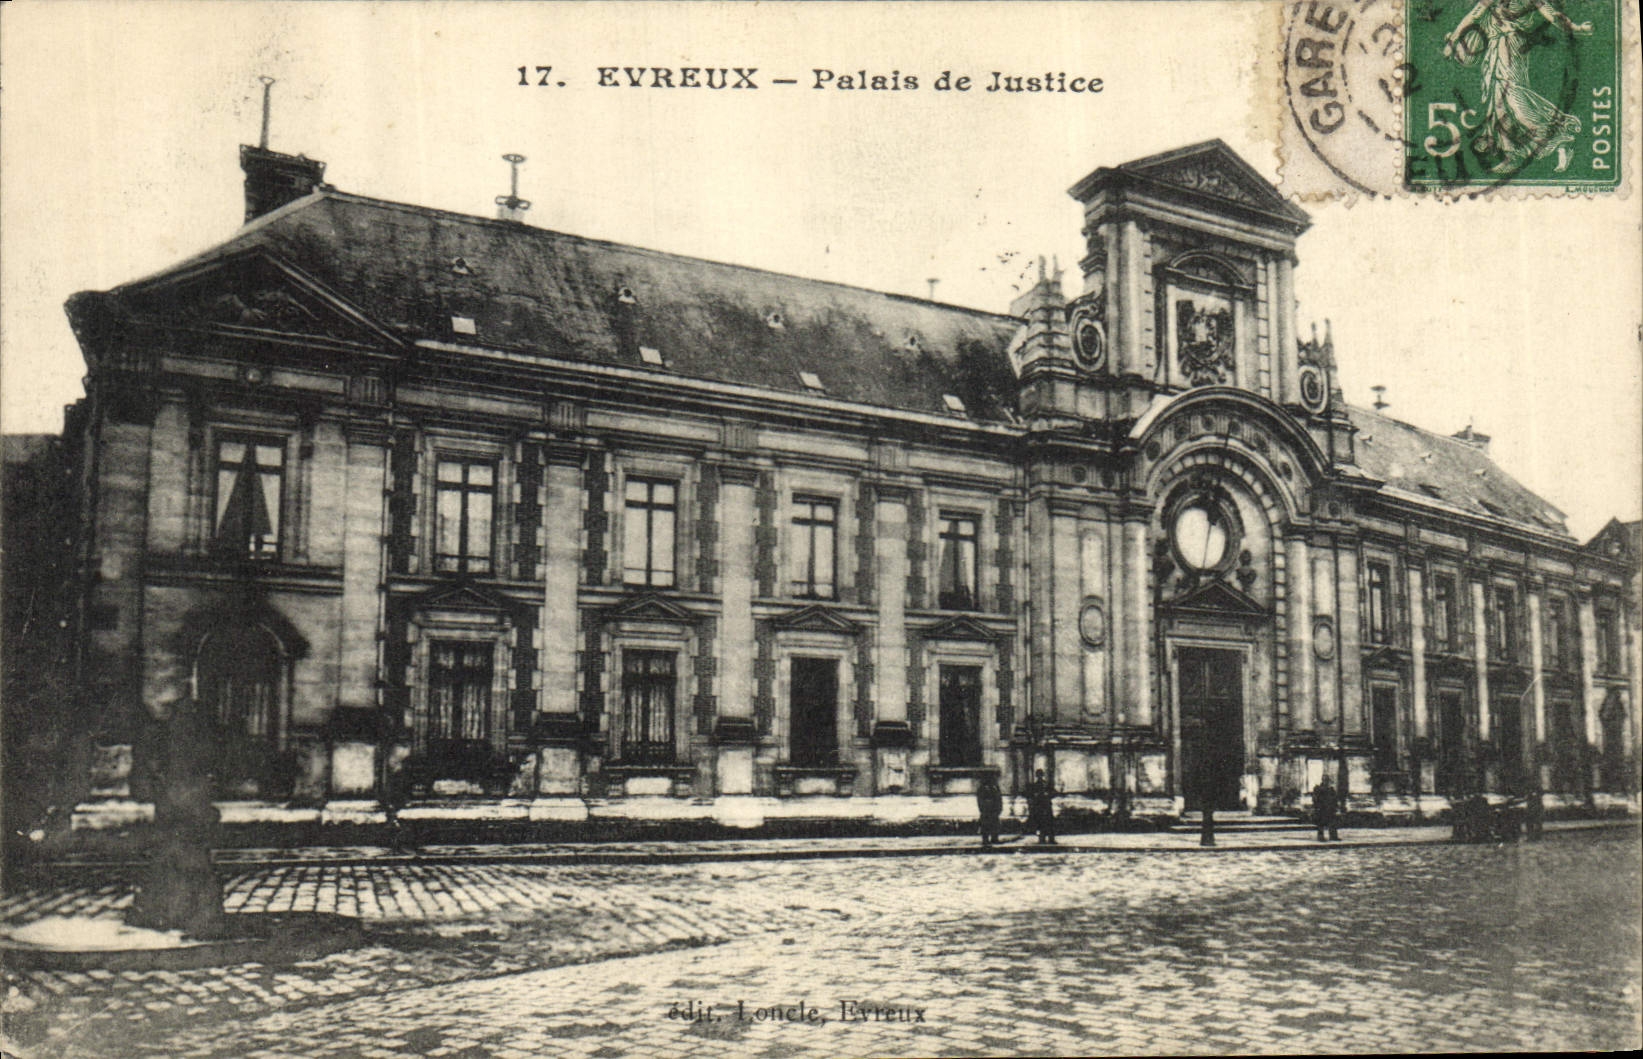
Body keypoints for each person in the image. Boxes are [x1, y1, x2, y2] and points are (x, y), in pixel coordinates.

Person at [1444, 0, 1593, 174]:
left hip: (1510, 45)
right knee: (1499, 98)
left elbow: (1551, 14)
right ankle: (1512, 154)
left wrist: (1575, 28)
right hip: (1497, 45)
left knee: (1513, 97)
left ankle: (1559, 138)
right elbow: (1476, 13)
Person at [1026, 769, 1057, 845]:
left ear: (1042, 775)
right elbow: (1029, 795)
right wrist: (1035, 796)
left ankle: (1051, 838)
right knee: (1041, 822)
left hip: (1047, 806)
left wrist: (1048, 795)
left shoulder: (1046, 784)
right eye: (1038, 775)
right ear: (1036, 776)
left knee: (1049, 822)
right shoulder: (1034, 785)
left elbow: (1054, 792)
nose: (1040, 776)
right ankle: (1042, 838)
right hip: (1039, 807)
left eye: (1041, 775)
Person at [976, 774, 1003, 847]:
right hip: (986, 810)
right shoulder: (982, 789)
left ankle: (994, 838)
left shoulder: (995, 788)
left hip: (994, 810)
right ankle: (985, 839)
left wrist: (999, 808)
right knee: (985, 825)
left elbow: (999, 798)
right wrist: (983, 808)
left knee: (995, 825)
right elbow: (980, 800)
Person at [1311, 774, 1341, 842]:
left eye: (1327, 780)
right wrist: (1317, 807)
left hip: (1330, 809)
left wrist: (1335, 806)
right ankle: (1320, 837)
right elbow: (1315, 799)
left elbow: (1335, 798)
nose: (1326, 781)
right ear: (1322, 780)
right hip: (1322, 809)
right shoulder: (1318, 788)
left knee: (1332, 823)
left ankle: (1333, 836)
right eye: (1325, 780)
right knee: (1321, 824)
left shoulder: (1331, 789)